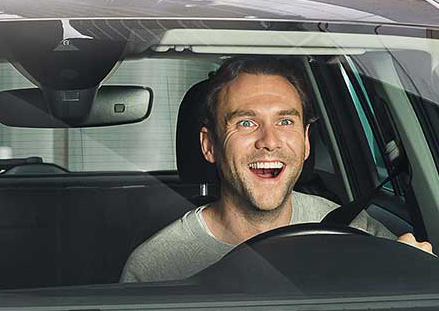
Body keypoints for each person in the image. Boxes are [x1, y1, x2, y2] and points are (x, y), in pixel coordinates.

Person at [121, 56, 433, 283]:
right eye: (246, 123)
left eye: (285, 121)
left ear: (306, 142)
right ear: (209, 145)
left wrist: (414, 271)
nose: (269, 141)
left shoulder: (357, 229)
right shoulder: (154, 268)